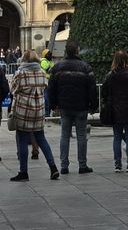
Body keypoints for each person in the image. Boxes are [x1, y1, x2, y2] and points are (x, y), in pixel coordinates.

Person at [8, 50, 60, 181]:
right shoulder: (42, 73)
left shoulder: (20, 74)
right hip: (38, 110)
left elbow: (12, 89)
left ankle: (23, 172)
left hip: (23, 111)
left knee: (23, 141)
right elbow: (45, 86)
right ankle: (53, 167)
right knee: (41, 138)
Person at [47, 41, 97, 175]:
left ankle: (64, 166)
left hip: (64, 106)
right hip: (81, 106)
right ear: (77, 51)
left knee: (65, 135)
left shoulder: (57, 67)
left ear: (66, 52)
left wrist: (53, 104)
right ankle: (82, 165)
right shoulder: (85, 67)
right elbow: (92, 88)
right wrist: (93, 105)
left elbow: (51, 88)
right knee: (81, 136)